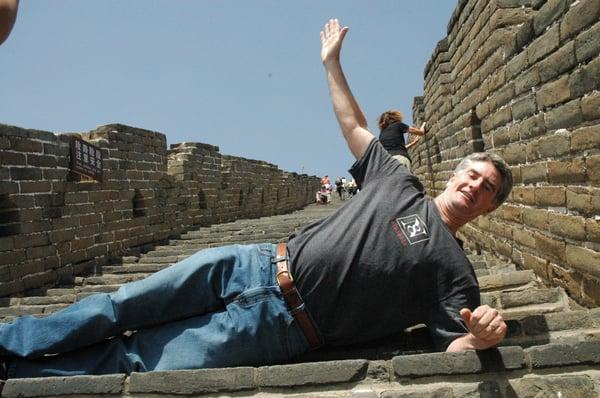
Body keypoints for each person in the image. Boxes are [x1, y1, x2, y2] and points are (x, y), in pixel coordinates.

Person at [0, 18, 512, 379]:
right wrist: (331, 64)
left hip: (280, 327)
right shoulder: (398, 182)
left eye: (487, 188)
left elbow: (453, 343)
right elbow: (355, 125)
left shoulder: (456, 272)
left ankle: (20, 375)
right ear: (452, 173)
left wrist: (484, 338)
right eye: (472, 173)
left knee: (135, 361)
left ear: (490, 208)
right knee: (118, 306)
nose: (474, 185)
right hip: (253, 263)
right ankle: (9, 344)